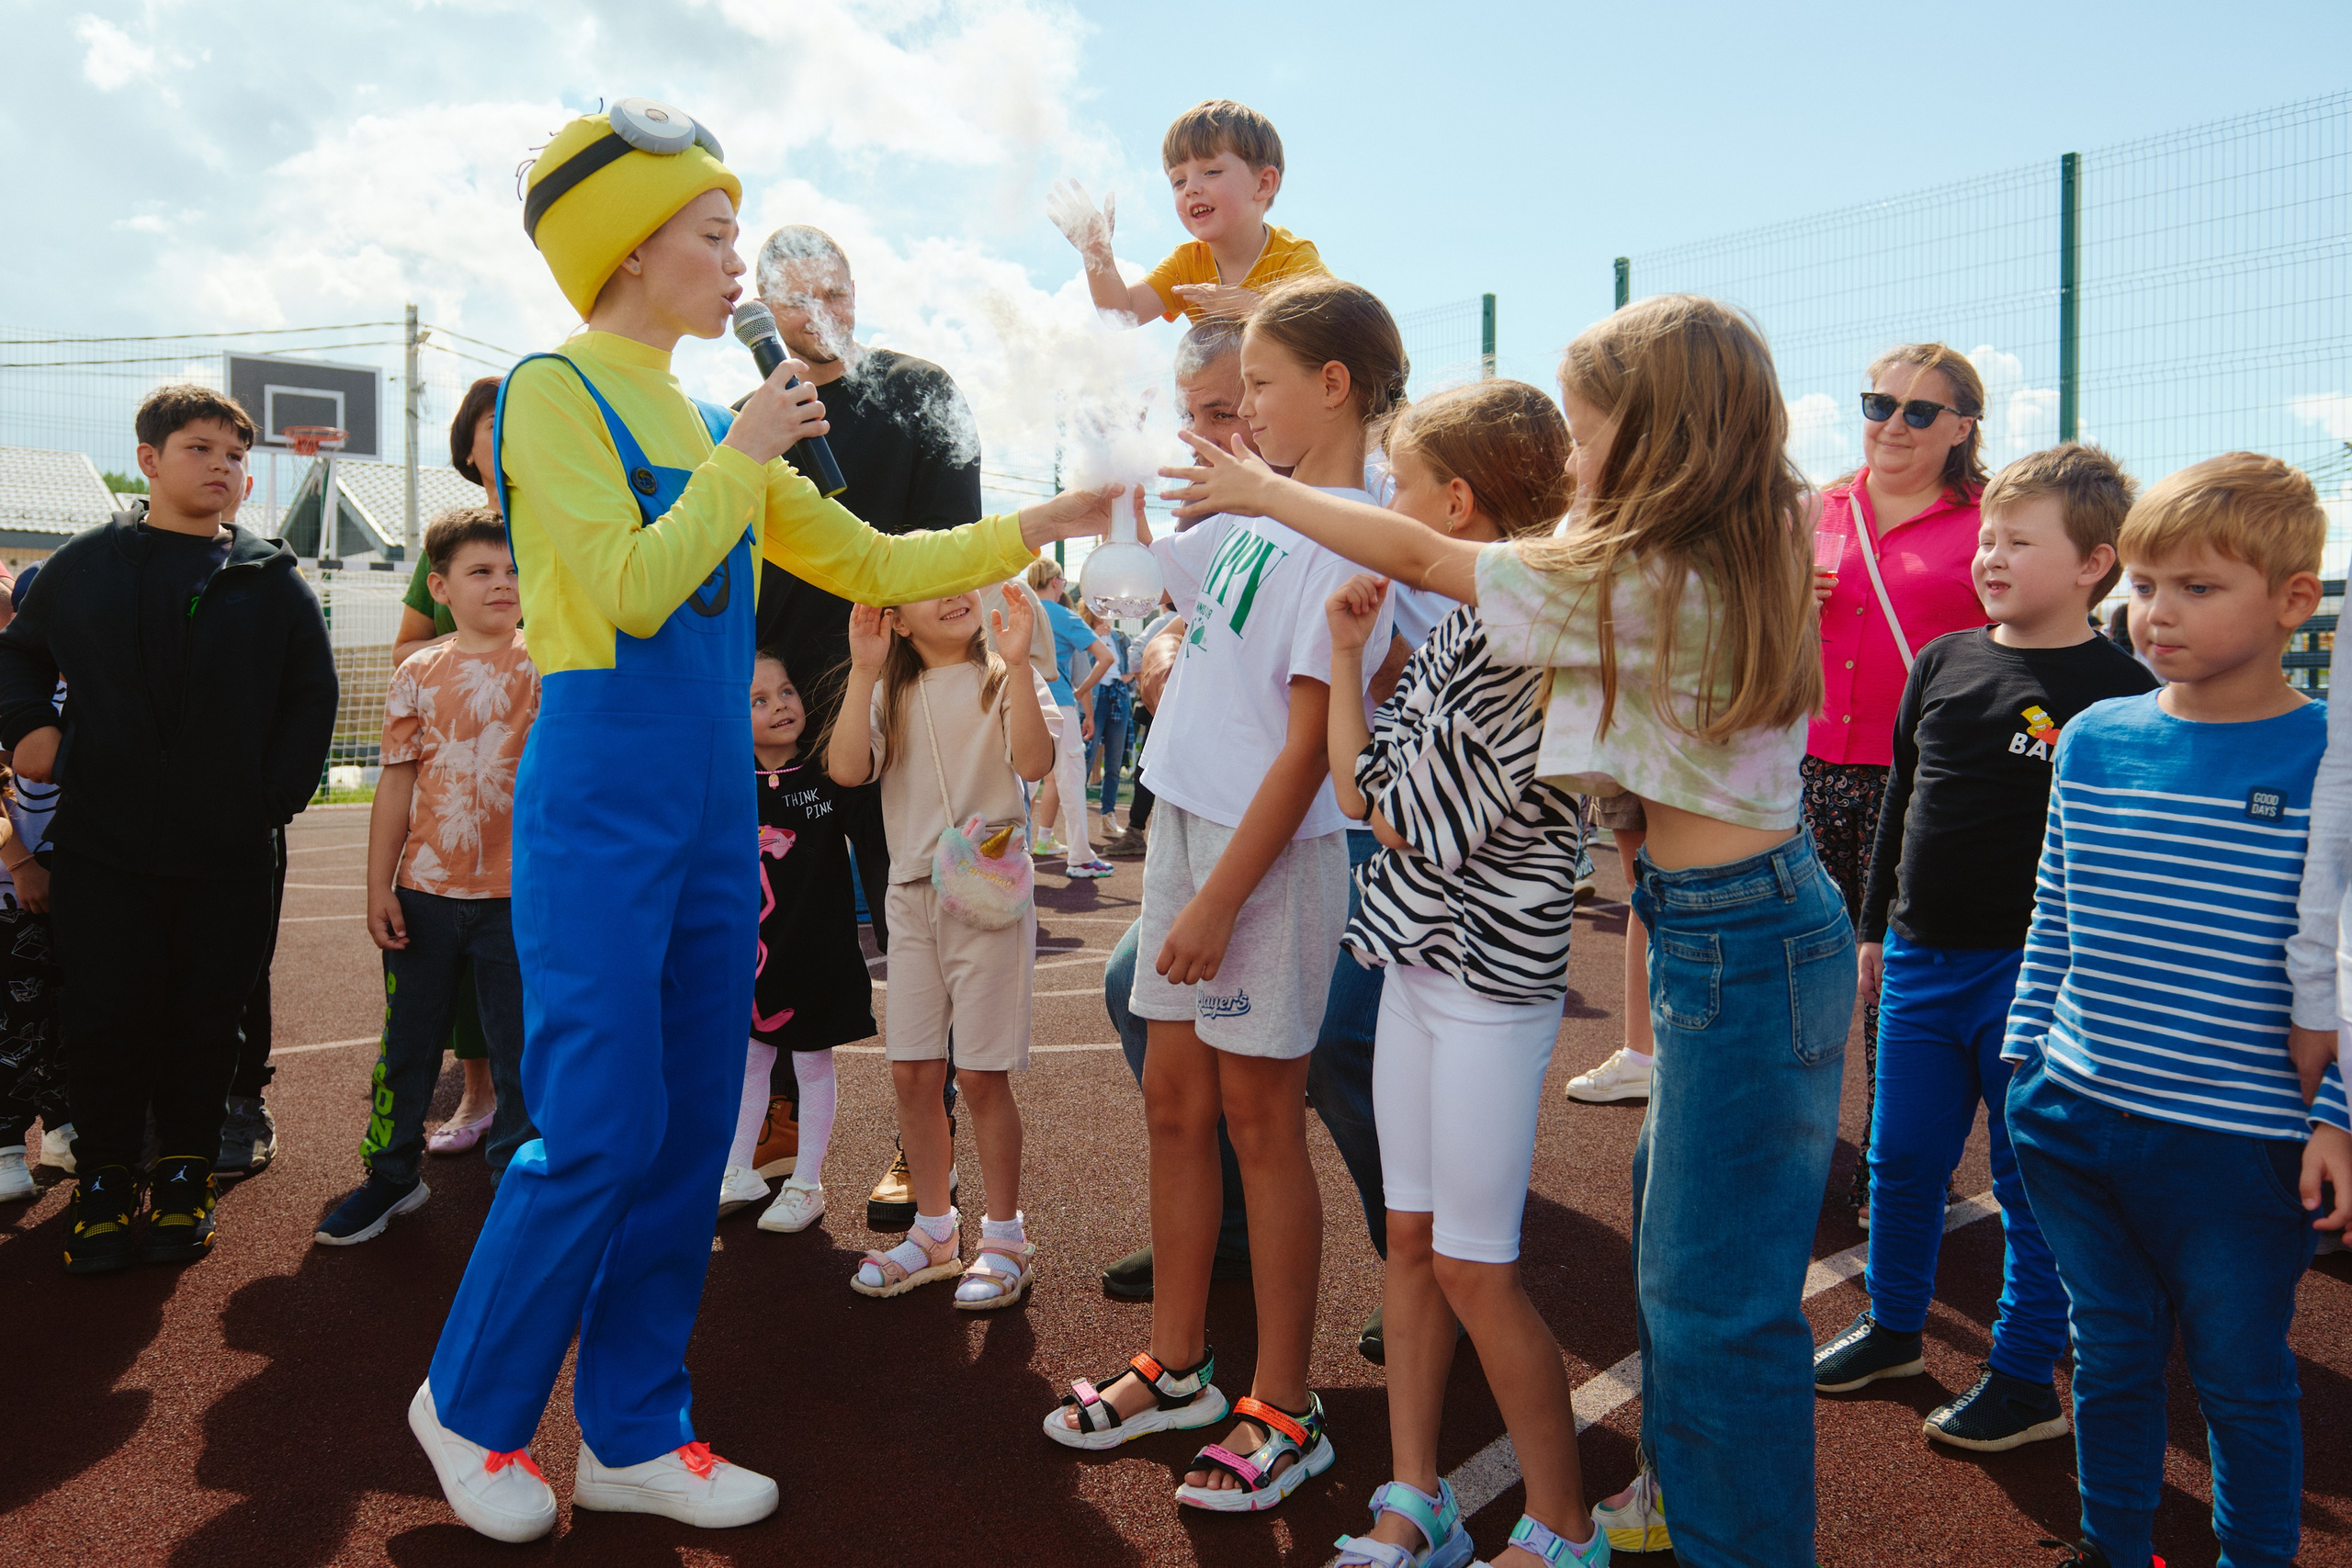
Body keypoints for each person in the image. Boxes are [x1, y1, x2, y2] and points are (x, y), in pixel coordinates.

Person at [406, 102, 1116, 1543]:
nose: (742, 264)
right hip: (603, 796)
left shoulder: (701, 415)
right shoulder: (560, 390)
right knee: (600, 1124)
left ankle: (636, 1426)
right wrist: (742, 451)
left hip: (707, 812)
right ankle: (470, 1405)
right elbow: (620, 590)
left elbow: (869, 553)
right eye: (716, 234)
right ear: (628, 242)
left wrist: (1046, 521)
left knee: (680, 1136)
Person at [1167, 293, 1846, 1567]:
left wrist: (1265, 492)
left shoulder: (1645, 573)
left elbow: (1427, 574)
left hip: (1728, 938)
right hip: (1722, 924)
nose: (1577, 461)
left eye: (1592, 435)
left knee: (1713, 1299)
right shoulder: (1716, 543)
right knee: (1682, 1259)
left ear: (1658, 441)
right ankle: (1680, 1491)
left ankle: (1725, 1533)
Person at [1045, 276, 1399, 1518]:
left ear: (1334, 386)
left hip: (1268, 854)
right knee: (1174, 1103)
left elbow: (1308, 752)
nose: (1238, 409)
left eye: (1257, 385)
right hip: (1191, 827)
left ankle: (1284, 1404)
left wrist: (1209, 904)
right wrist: (1118, 451)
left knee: (1260, 1116)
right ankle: (1184, 1361)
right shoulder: (1258, 511)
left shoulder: (1352, 528)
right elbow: (1138, 565)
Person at [2002, 451, 2351, 1568]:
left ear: (2295, 597)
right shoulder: (2097, 737)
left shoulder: (2326, 757)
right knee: (2104, 1355)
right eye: (2144, 583)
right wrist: (2023, 1065)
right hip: (2073, 1116)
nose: (2156, 613)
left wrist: (2336, 1113)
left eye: (2198, 588)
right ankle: (2115, 1549)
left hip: (2241, 1144)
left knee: (2239, 1382)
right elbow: (2054, 907)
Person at [1808, 446, 2155, 1453]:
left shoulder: (2119, 690)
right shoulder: (1943, 660)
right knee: (1900, 1160)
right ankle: (1893, 1328)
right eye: (1988, 540)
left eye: (2020, 542)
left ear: (2095, 563)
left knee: (2027, 1182)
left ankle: (2022, 1377)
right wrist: (1875, 928)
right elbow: (1902, 805)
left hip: (2033, 973)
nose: (1992, 558)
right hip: (1918, 960)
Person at [1314, 382, 1603, 1568]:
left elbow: (1394, 811)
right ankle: (1414, 1494)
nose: (1389, 504)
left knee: (1478, 1264)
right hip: (1424, 966)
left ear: (1457, 499)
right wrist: (1345, 654)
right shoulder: (1451, 632)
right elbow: (1358, 786)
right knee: (1414, 1243)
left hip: (1489, 980)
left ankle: (1565, 1526)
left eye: (1399, 482)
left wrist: (1363, 725)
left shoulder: (1517, 637)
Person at [0, 384, 336, 1275]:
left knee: (206, 1017)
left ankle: (184, 1174)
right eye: (201, 449)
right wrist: (35, 735)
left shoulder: (272, 581)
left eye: (235, 455)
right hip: (104, 849)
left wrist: (274, 797)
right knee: (106, 1014)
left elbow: (313, 696)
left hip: (229, 854)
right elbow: (18, 651)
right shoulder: (84, 567)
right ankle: (108, 1180)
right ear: (149, 461)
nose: (223, 467)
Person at [734, 223, 1012, 1222]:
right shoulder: (745, 416)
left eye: (836, 289)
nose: (821, 310)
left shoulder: (921, 390)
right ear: (759, 309)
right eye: (795, 296)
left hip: (892, 698)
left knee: (922, 920)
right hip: (777, 717)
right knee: (766, 921)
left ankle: (918, 1141)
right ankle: (764, 1127)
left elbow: (953, 549)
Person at [318, 507, 539, 1246]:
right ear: (439, 587)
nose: (502, 583)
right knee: (407, 1042)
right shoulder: (417, 671)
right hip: (425, 893)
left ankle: (516, 1180)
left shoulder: (551, 663)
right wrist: (379, 885)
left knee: (522, 1050)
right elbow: (394, 784)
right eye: (482, 571)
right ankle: (391, 1175)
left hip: (520, 896)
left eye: (512, 570)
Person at [828, 586, 1054, 1306]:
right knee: (913, 1074)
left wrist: (1017, 662)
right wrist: (864, 669)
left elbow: (1034, 761)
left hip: (986, 894)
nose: (953, 593)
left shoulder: (1003, 673)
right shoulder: (890, 688)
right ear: (894, 617)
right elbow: (845, 770)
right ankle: (934, 1230)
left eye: (960, 577)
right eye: (928, 586)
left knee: (984, 1076)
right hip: (910, 894)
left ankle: (1004, 1236)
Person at [1808, 343, 1992, 1224]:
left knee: (1896, 982)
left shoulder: (1988, 524)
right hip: (1805, 769)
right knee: (1800, 968)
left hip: (1918, 784)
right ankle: (1794, 1142)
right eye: (1880, 404)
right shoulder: (1817, 505)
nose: (1894, 425)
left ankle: (1894, 1163)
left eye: (1921, 412)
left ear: (1962, 428)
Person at [716, 650, 875, 1233]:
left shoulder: (830, 774)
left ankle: (808, 1183)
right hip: (754, 956)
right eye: (758, 700)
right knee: (750, 1060)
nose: (780, 705)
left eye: (785, 691)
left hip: (817, 954)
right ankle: (739, 1169)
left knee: (811, 1062)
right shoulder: (730, 784)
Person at [390, 378, 506, 1154]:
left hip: (528, 816)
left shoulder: (570, 519)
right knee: (449, 964)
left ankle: (532, 1123)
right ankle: (477, 1093)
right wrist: (466, 659)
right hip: (453, 795)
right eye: (493, 430)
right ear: (467, 448)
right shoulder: (456, 539)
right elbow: (405, 647)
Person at [1050, 99, 1329, 327]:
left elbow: (1334, 326)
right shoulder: (1186, 265)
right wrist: (1096, 253)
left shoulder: (1293, 259)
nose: (1191, 189)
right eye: (1178, 181)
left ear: (1263, 183)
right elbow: (1124, 314)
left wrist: (1253, 306)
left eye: (1211, 172)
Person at [1026, 558, 1113, 875]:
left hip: (1017, 703)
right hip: (1058, 704)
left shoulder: (1017, 609)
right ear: (1055, 581)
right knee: (1072, 780)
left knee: (1022, 786)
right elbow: (1106, 657)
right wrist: (1078, 694)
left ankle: (1008, 860)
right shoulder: (1064, 615)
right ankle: (1079, 856)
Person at [0, 757, 62, 1202]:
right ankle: (5, 1151)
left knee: (67, 1007)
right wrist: (20, 864)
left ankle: (63, 1126)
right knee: (14, 1019)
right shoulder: (14, 689)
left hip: (79, 872)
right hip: (13, 883)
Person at [1085, 604, 1134, 823]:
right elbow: (1080, 668)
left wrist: (1126, 679)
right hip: (1095, 699)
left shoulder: (1121, 638)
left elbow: (1134, 663)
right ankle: (1078, 820)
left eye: (1109, 609)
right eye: (1101, 608)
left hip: (1118, 696)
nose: (1106, 614)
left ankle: (1108, 816)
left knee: (1113, 763)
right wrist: (1094, 638)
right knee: (1087, 757)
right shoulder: (1084, 633)